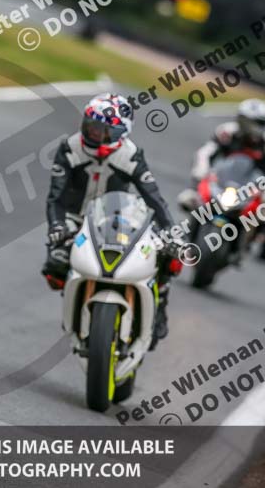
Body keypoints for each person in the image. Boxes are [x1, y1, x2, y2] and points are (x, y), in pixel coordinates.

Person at [41, 93, 183, 347]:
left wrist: (171, 232)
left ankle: (160, 305)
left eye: (103, 130)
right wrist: (57, 226)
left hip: (114, 219)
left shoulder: (131, 155)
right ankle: (76, 303)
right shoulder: (70, 148)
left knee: (165, 255)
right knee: (56, 263)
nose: (94, 134)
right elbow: (55, 198)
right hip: (75, 218)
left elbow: (154, 198)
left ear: (121, 133)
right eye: (91, 126)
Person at [182, 98, 265, 264]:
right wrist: (202, 174)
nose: (249, 126)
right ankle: (188, 235)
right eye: (245, 121)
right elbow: (206, 153)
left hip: (250, 186)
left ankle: (247, 243)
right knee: (194, 199)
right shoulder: (226, 133)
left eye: (254, 123)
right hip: (223, 179)